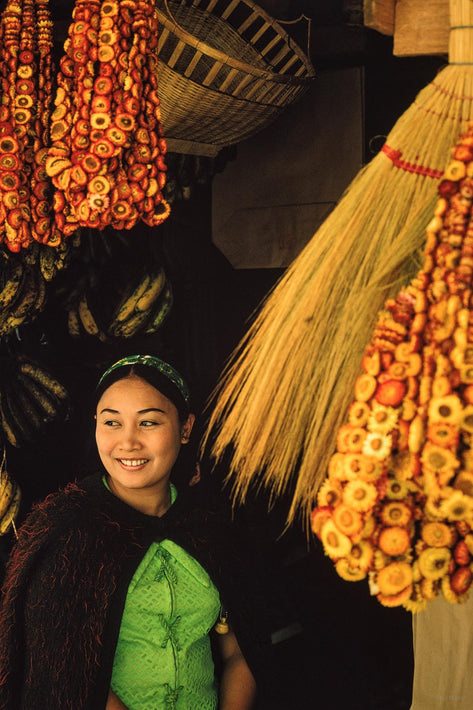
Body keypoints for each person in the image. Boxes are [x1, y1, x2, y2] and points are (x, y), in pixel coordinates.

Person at [0, 354, 267, 710]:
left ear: (185, 428)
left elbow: (240, 649)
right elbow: (67, 676)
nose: (128, 442)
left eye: (149, 423)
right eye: (112, 423)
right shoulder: (66, 531)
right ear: (94, 424)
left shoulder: (209, 527)